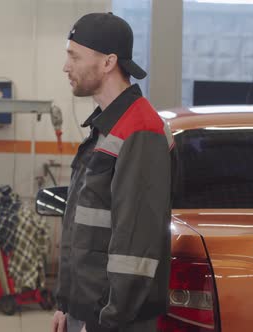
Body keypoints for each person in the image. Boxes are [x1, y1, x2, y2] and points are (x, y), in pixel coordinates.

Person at [51, 13, 174, 332]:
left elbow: (135, 247)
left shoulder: (140, 130)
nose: (66, 66)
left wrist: (108, 323)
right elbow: (84, 227)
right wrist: (66, 304)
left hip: (115, 321)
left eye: (73, 55)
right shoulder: (107, 127)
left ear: (108, 63)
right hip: (88, 311)